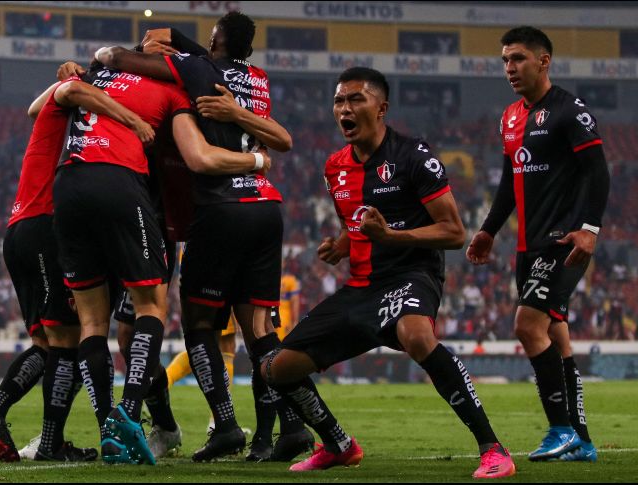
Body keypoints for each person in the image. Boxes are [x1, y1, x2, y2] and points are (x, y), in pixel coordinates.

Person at [260, 67, 516, 479]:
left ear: (381, 109)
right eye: (339, 101)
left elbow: (453, 232)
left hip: (413, 274)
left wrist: (391, 236)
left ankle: (493, 448)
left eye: (355, 99)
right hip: (362, 286)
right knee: (275, 368)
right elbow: (355, 223)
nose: (345, 108)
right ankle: (338, 444)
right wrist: (342, 243)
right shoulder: (335, 168)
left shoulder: (414, 156)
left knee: (416, 335)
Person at [91, 11, 313, 463]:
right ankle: (289, 428)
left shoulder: (192, 73)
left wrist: (114, 55)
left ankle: (225, 424)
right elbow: (281, 139)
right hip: (264, 206)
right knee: (258, 329)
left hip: (211, 209)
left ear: (213, 42)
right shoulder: (258, 79)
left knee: (195, 325)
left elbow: (119, 58)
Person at [53, 59, 274, 465]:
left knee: (129, 325)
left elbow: (202, 157)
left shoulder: (181, 97)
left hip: (147, 216)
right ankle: (146, 424)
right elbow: (60, 94)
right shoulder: (110, 80)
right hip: (125, 200)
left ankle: (139, 420)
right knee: (125, 330)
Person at [0, 76, 155, 463]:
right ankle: (16, 419)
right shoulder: (78, 111)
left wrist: (74, 82)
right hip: (43, 228)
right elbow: (70, 91)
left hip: (18, 230)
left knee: (47, 343)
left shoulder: (59, 119)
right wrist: (131, 118)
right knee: (66, 344)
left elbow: (36, 106)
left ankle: (6, 414)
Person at [466, 26, 609, 463]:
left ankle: (560, 428)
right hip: (527, 246)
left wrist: (589, 229)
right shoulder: (510, 117)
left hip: (563, 242)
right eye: (506, 60)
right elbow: (512, 179)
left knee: (527, 327)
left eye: (519, 59)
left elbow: (598, 172)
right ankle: (581, 441)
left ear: (544, 60)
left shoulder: (570, 111)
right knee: (556, 334)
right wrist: (489, 228)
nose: (510, 67)